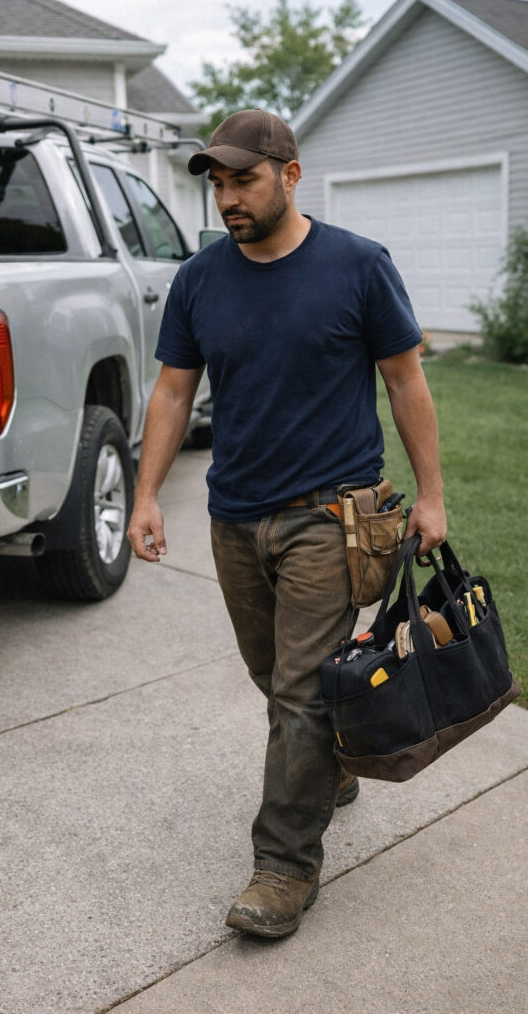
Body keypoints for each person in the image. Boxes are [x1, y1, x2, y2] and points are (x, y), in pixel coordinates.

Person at [126, 109, 446, 939]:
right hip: (235, 516)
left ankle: (283, 867)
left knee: (299, 695)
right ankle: (332, 766)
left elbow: (405, 382)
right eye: (219, 183)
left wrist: (431, 494)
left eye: (244, 180)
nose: (228, 197)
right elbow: (170, 391)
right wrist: (146, 494)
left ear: (290, 175)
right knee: (273, 677)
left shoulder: (356, 266)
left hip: (330, 517)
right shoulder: (201, 279)